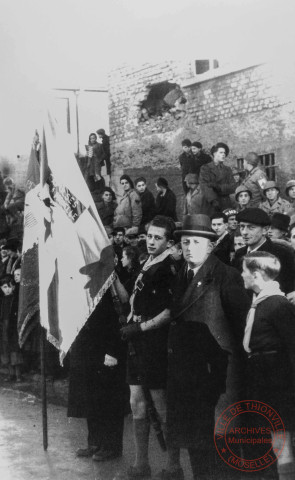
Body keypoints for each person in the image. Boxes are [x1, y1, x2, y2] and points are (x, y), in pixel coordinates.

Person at [166, 214, 250, 480]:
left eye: (196, 242)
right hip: (188, 374)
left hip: (218, 375)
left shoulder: (227, 276)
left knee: (220, 442)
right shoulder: (182, 274)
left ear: (211, 246)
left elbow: (241, 329)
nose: (190, 247)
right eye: (185, 242)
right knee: (195, 441)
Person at [119, 216, 178, 480]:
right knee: (136, 403)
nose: (152, 241)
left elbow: (169, 311)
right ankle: (141, 464)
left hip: (154, 342)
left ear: (169, 242)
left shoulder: (168, 267)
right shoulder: (146, 262)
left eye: (158, 238)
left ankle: (173, 466)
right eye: (150, 236)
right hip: (136, 342)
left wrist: (141, 328)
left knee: (161, 404)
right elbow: (131, 299)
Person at [241, 252, 295, 480]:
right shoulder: (262, 302)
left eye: (244, 271)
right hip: (263, 378)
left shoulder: (278, 304)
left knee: (282, 441)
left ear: (256, 275)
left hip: (278, 381)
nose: (241, 275)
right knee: (276, 440)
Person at [67, 282, 127, 462]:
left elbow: (116, 314)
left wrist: (112, 350)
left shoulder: (109, 278)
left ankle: (111, 446)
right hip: (87, 348)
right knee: (91, 396)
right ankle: (94, 442)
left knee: (108, 399)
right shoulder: (85, 279)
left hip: (106, 348)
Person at [234, 208, 295, 296]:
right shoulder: (239, 253)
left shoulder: (282, 254)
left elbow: (289, 288)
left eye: (251, 228)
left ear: (265, 230)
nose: (244, 232)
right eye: (242, 227)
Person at [199, 142, 236, 213]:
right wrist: (213, 200)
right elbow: (204, 185)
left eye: (224, 153)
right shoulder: (206, 168)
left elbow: (233, 186)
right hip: (210, 203)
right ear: (214, 154)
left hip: (225, 203)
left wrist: (218, 187)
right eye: (221, 152)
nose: (223, 155)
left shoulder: (228, 169)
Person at [0, 274, 23, 382]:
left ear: (13, 287)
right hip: (3, 327)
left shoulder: (15, 299)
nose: (7, 289)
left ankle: (18, 375)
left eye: (9, 286)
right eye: (4, 287)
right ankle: (10, 374)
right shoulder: (2, 300)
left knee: (15, 350)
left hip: (13, 327)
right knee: (5, 349)